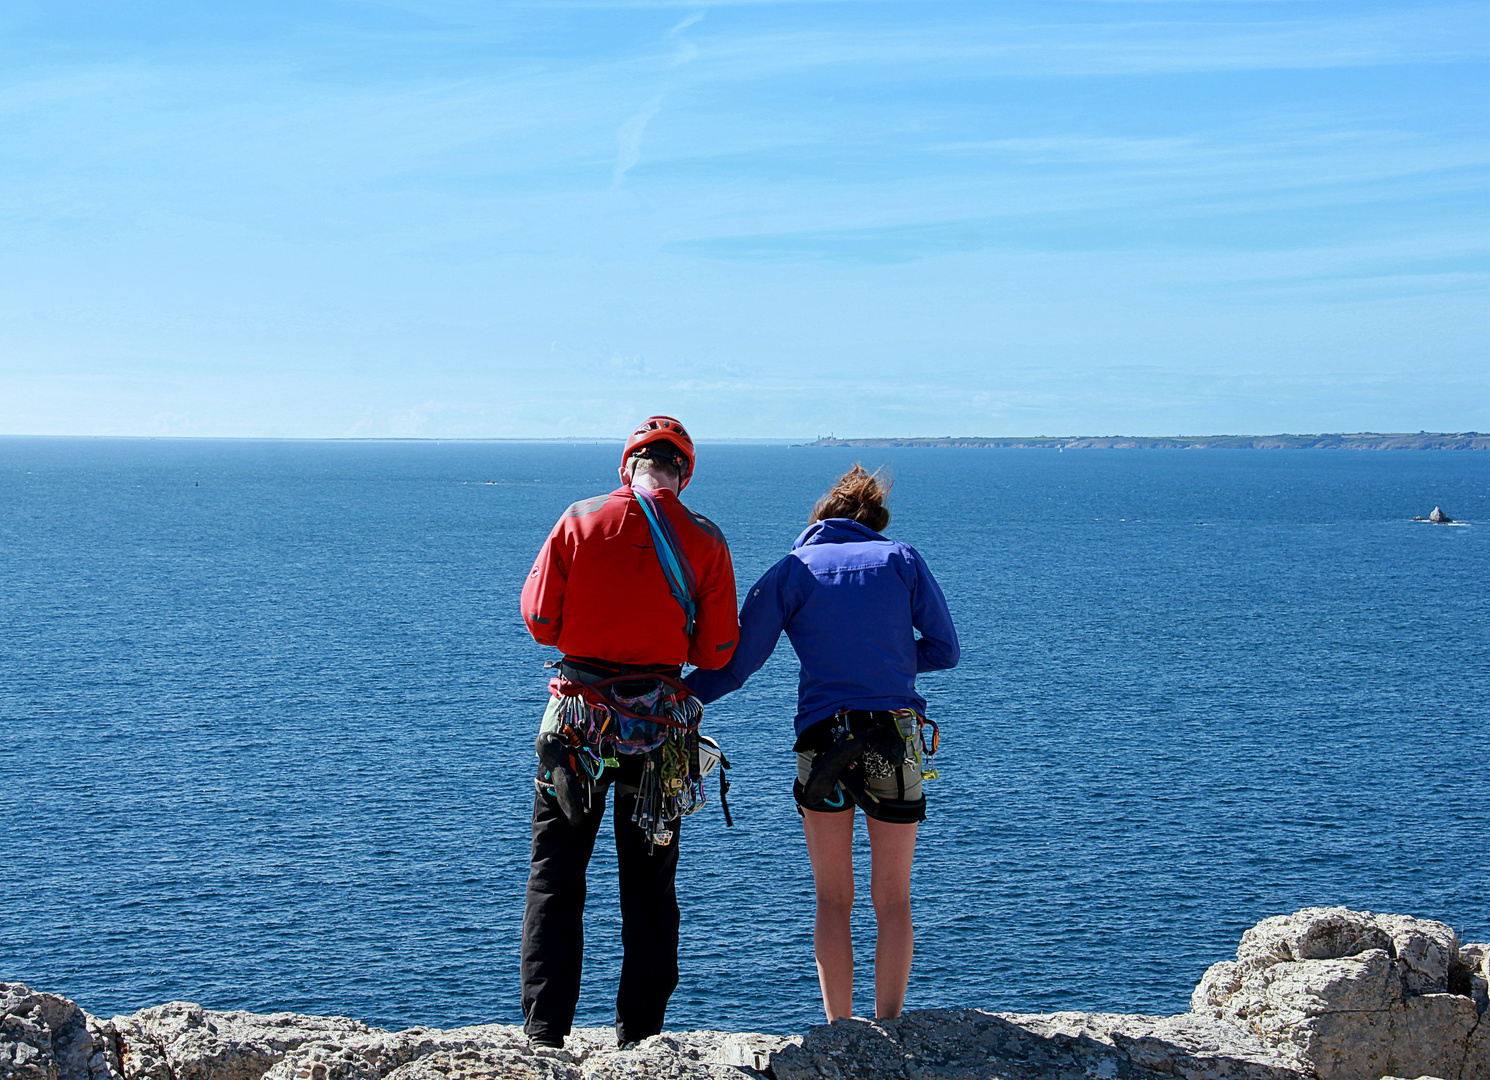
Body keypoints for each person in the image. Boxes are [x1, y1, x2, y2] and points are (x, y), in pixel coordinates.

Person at [685, 464, 958, 1022]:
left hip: (824, 741)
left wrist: (678, 699)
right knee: (894, 899)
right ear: (874, 522)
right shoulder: (902, 560)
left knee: (833, 899)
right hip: (891, 738)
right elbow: (945, 649)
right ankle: (890, 1026)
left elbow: (737, 667)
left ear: (820, 519)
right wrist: (889, 664)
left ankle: (840, 1029)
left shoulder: (793, 570)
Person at [519, 416, 739, 1049]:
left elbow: (539, 621)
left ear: (628, 466)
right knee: (648, 886)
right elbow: (719, 648)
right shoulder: (705, 541)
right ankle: (639, 1038)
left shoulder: (579, 519)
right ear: (684, 472)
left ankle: (544, 1035)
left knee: (556, 876)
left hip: (577, 726)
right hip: (657, 732)